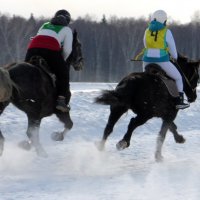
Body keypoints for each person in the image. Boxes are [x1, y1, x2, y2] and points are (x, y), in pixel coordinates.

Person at [25, 9, 73, 112]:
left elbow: (37, 36)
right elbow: (68, 50)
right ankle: (61, 100)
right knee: (63, 73)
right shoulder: (67, 29)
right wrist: (61, 62)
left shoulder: (45, 24)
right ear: (68, 21)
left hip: (33, 47)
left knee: (25, 69)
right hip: (50, 50)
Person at [142, 10, 189, 109]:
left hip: (146, 60)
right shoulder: (166, 31)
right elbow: (172, 49)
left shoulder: (147, 30)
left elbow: (145, 44)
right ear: (164, 20)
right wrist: (174, 58)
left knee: (144, 79)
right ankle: (179, 100)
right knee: (178, 78)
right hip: (162, 60)